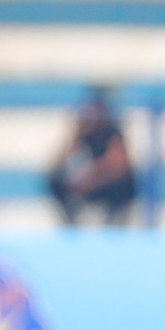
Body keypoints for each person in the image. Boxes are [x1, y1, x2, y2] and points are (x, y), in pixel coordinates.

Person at [46, 87, 137, 226]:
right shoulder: (84, 132)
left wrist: (91, 181)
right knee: (56, 181)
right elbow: (59, 163)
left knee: (122, 187)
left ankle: (114, 226)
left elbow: (117, 165)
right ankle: (70, 224)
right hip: (87, 184)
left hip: (107, 186)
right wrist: (76, 133)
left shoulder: (114, 132)